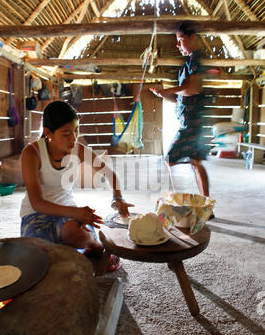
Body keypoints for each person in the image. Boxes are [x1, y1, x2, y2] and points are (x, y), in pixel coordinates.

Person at [20, 100, 134, 272]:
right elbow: (37, 203)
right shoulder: (32, 153)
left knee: (75, 234)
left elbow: (110, 174)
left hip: (67, 214)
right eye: (66, 133)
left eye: (76, 130)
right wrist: (77, 212)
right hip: (36, 215)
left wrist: (118, 197)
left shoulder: (77, 149)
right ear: (48, 132)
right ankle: (79, 254)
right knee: (41, 257)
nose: (73, 138)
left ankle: (98, 248)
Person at [150, 22, 220, 201]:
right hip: (192, 121)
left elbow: (194, 89)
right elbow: (180, 97)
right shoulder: (186, 66)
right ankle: (206, 204)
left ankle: (179, 200)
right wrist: (164, 94)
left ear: (192, 37)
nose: (178, 45)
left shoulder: (196, 60)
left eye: (181, 40)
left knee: (170, 158)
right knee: (196, 163)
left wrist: (169, 90)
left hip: (193, 122)